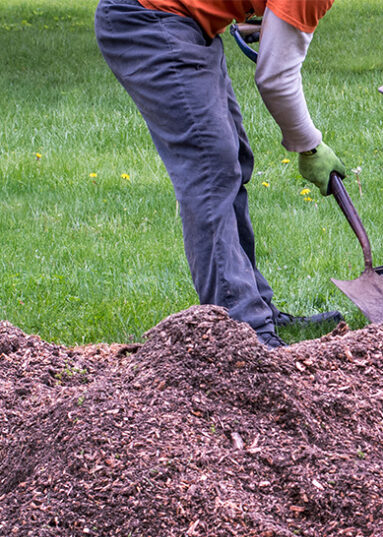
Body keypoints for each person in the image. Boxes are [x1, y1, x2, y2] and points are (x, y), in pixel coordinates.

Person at [94, 0, 346, 349]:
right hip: (147, 19)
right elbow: (276, 78)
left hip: (185, 23)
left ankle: (255, 308)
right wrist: (310, 146)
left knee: (232, 158)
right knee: (209, 166)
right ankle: (243, 331)